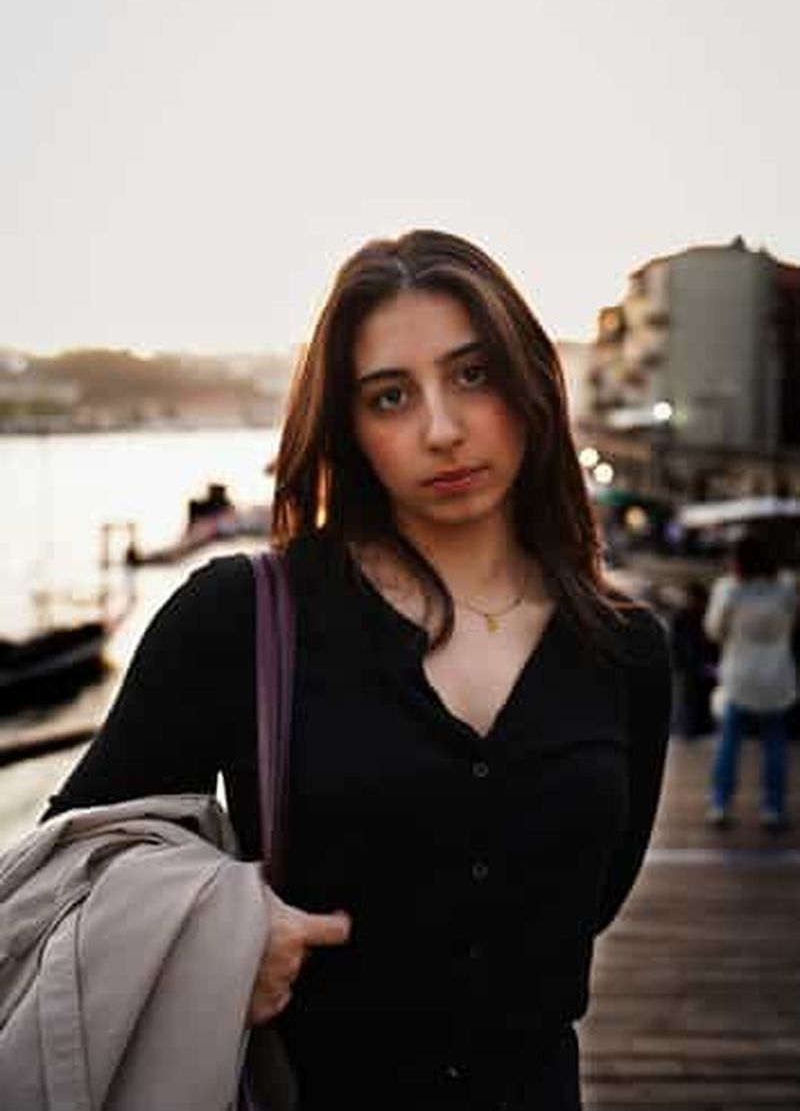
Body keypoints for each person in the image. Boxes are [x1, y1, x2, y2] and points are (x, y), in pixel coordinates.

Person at [45, 230, 671, 1110]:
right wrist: (221, 930)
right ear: (349, 426)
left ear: (531, 381)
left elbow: (592, 902)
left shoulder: (628, 647)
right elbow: (69, 864)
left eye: (473, 374)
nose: (443, 429)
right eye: (390, 397)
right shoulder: (239, 616)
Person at [705, 532, 797, 831]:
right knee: (775, 744)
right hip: (777, 676)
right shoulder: (786, 587)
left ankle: (720, 804)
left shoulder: (728, 589)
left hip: (739, 675)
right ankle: (773, 808)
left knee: (729, 743)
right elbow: (793, 621)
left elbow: (714, 629)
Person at [669, 580, 717, 738]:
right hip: (690, 666)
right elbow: (675, 643)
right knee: (689, 699)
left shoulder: (702, 615)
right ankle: (688, 729)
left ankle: (694, 728)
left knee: (697, 699)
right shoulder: (683, 616)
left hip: (698, 666)